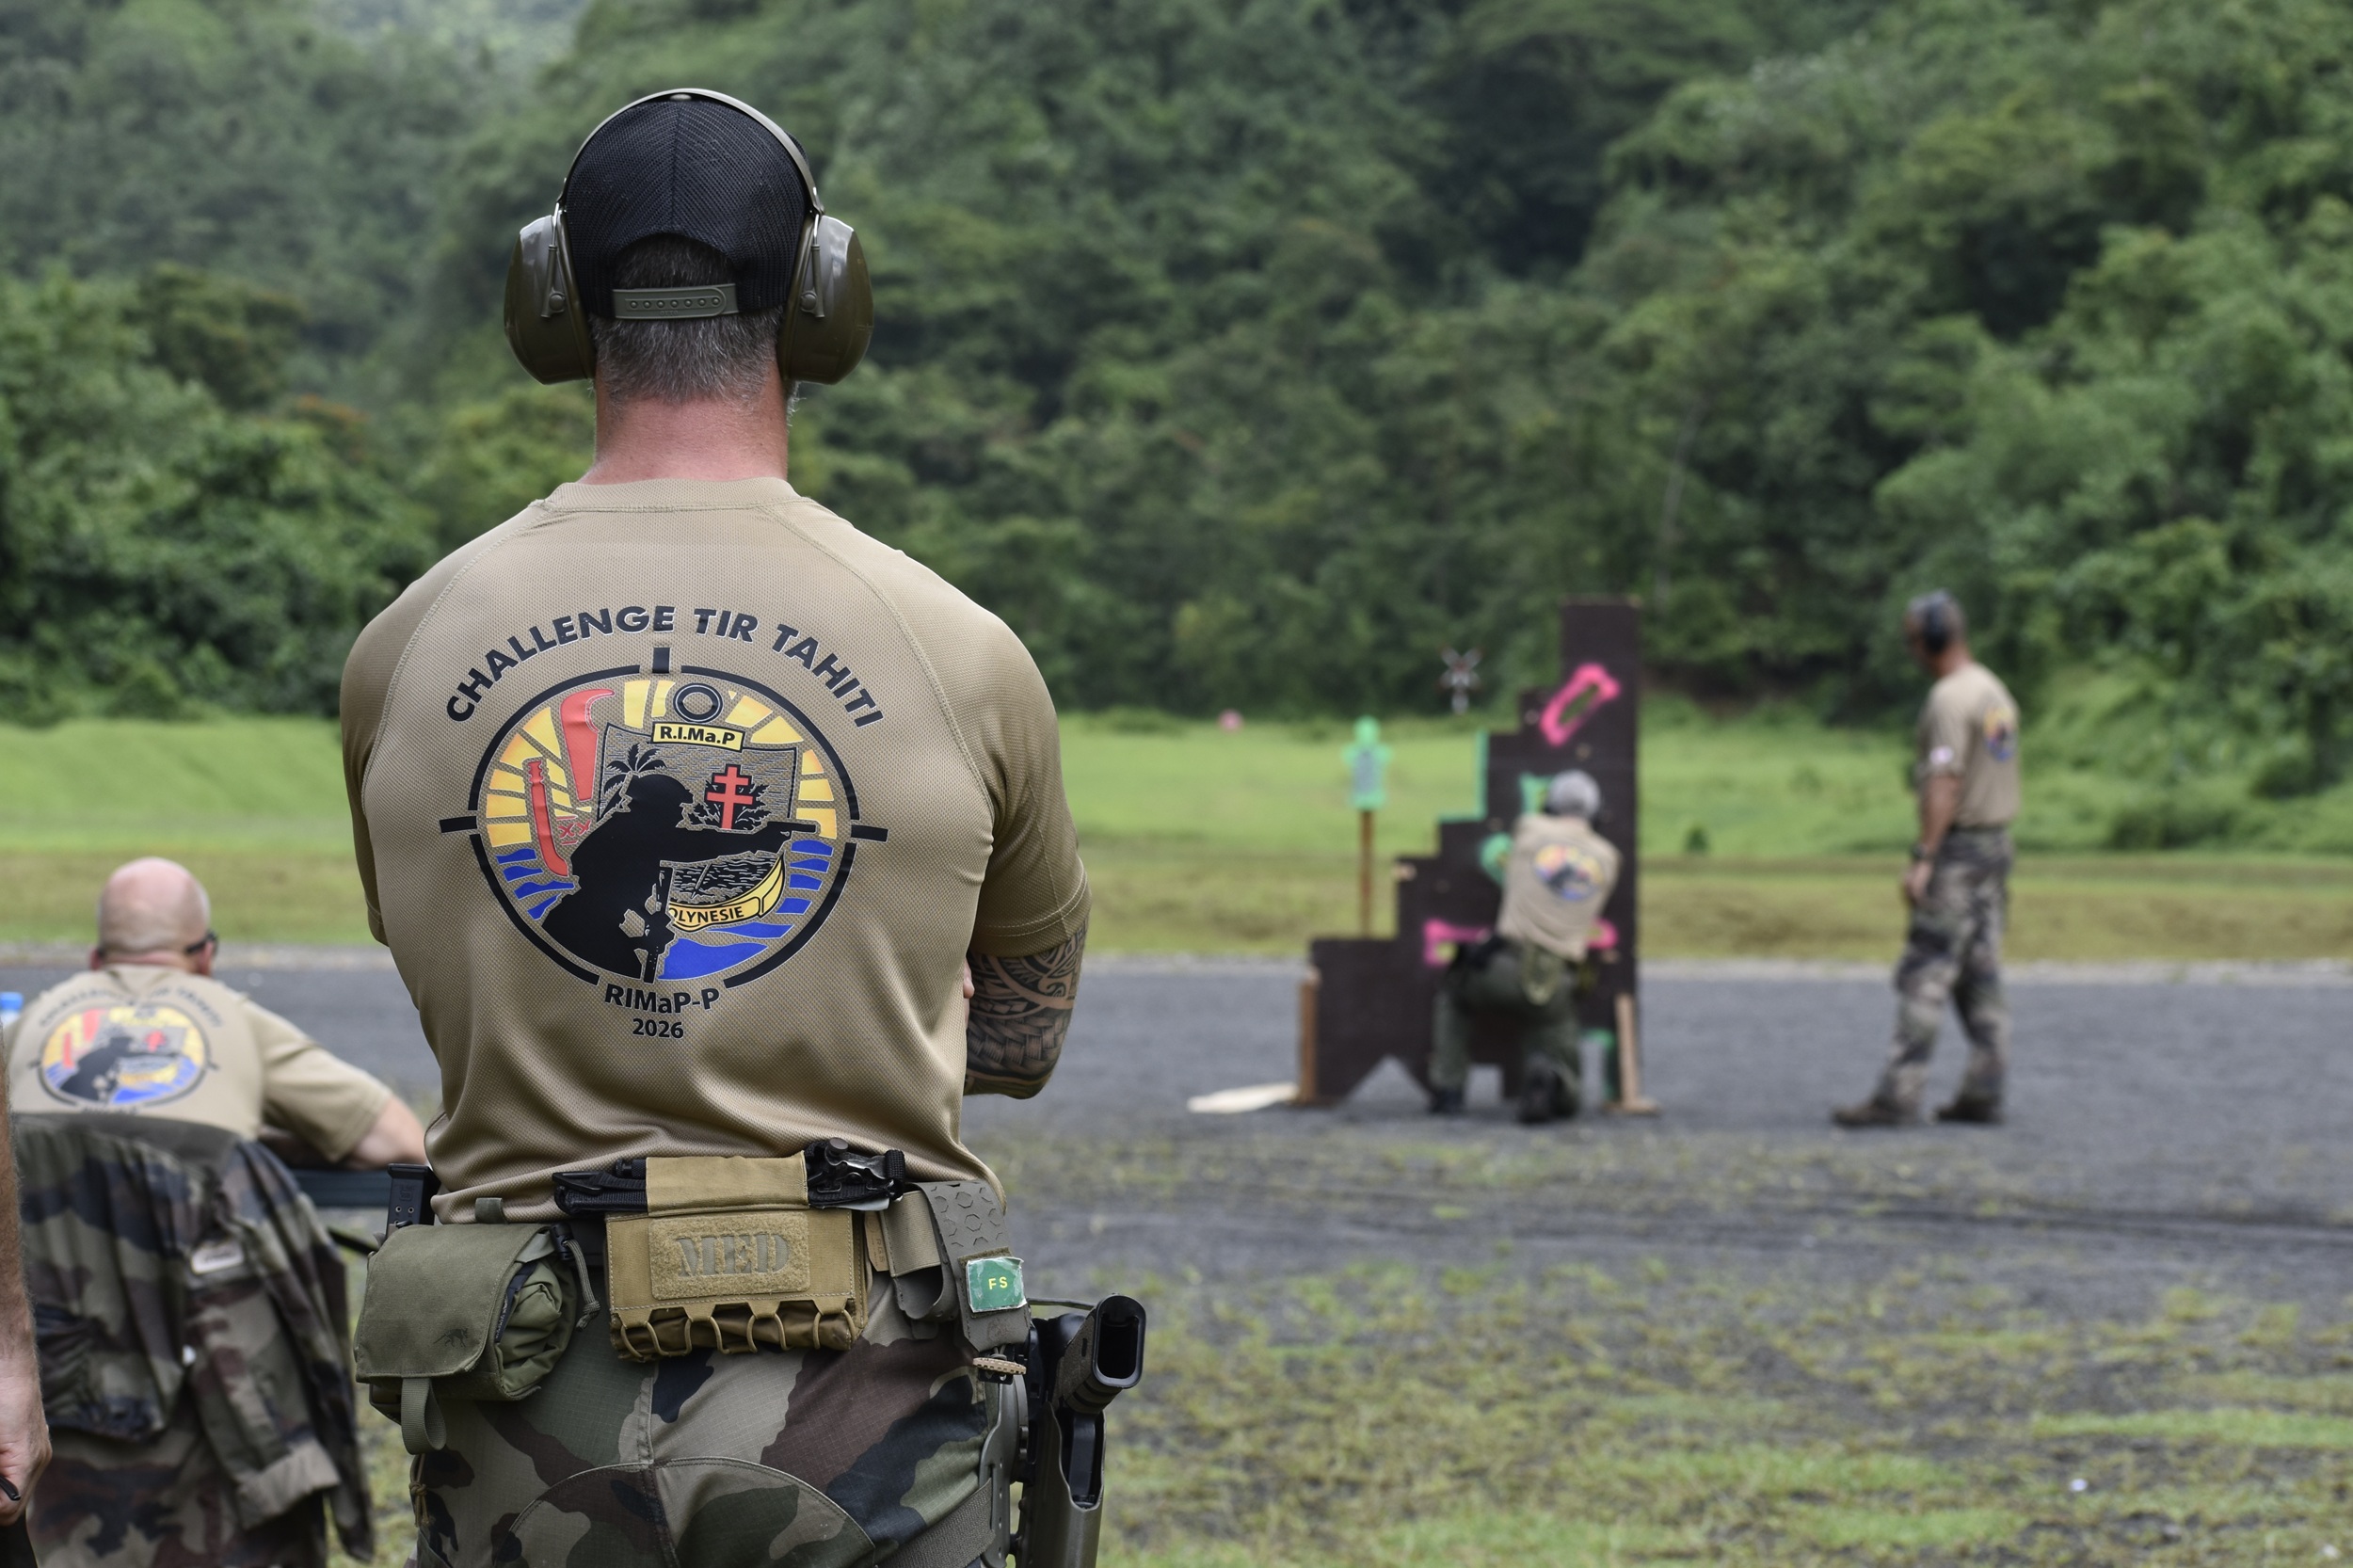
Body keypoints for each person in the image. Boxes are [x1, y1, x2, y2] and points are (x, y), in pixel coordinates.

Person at [339, 89, 1089, 1568]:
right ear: (822, 299)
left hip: (523, 1397)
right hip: (862, 1396)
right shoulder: (960, 644)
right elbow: (1023, 1034)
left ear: (552, 299)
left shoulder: (409, 643)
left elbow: (446, 964)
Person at [3, 857, 426, 1566]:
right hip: (215, 1378)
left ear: (95, 959)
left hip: (53, 1363)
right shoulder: (233, 1017)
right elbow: (401, 1143)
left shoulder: (28, 1029)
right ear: (205, 956)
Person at [1834, 591, 2021, 1128]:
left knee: (1926, 971)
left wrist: (1924, 857)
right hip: (1996, 846)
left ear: (1931, 639)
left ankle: (1899, 1093)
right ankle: (1985, 1089)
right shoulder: (1993, 690)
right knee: (1981, 970)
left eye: (1912, 640)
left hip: (1959, 851)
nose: (1910, 651)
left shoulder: (1948, 699)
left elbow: (1944, 782)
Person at [1429, 770, 1620, 1125]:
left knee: (1453, 995)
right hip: (1553, 982)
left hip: (1501, 967)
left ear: (1549, 805)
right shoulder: (1608, 858)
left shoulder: (1530, 828)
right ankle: (1553, 1081)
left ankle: (1449, 1089)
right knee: (1564, 1069)